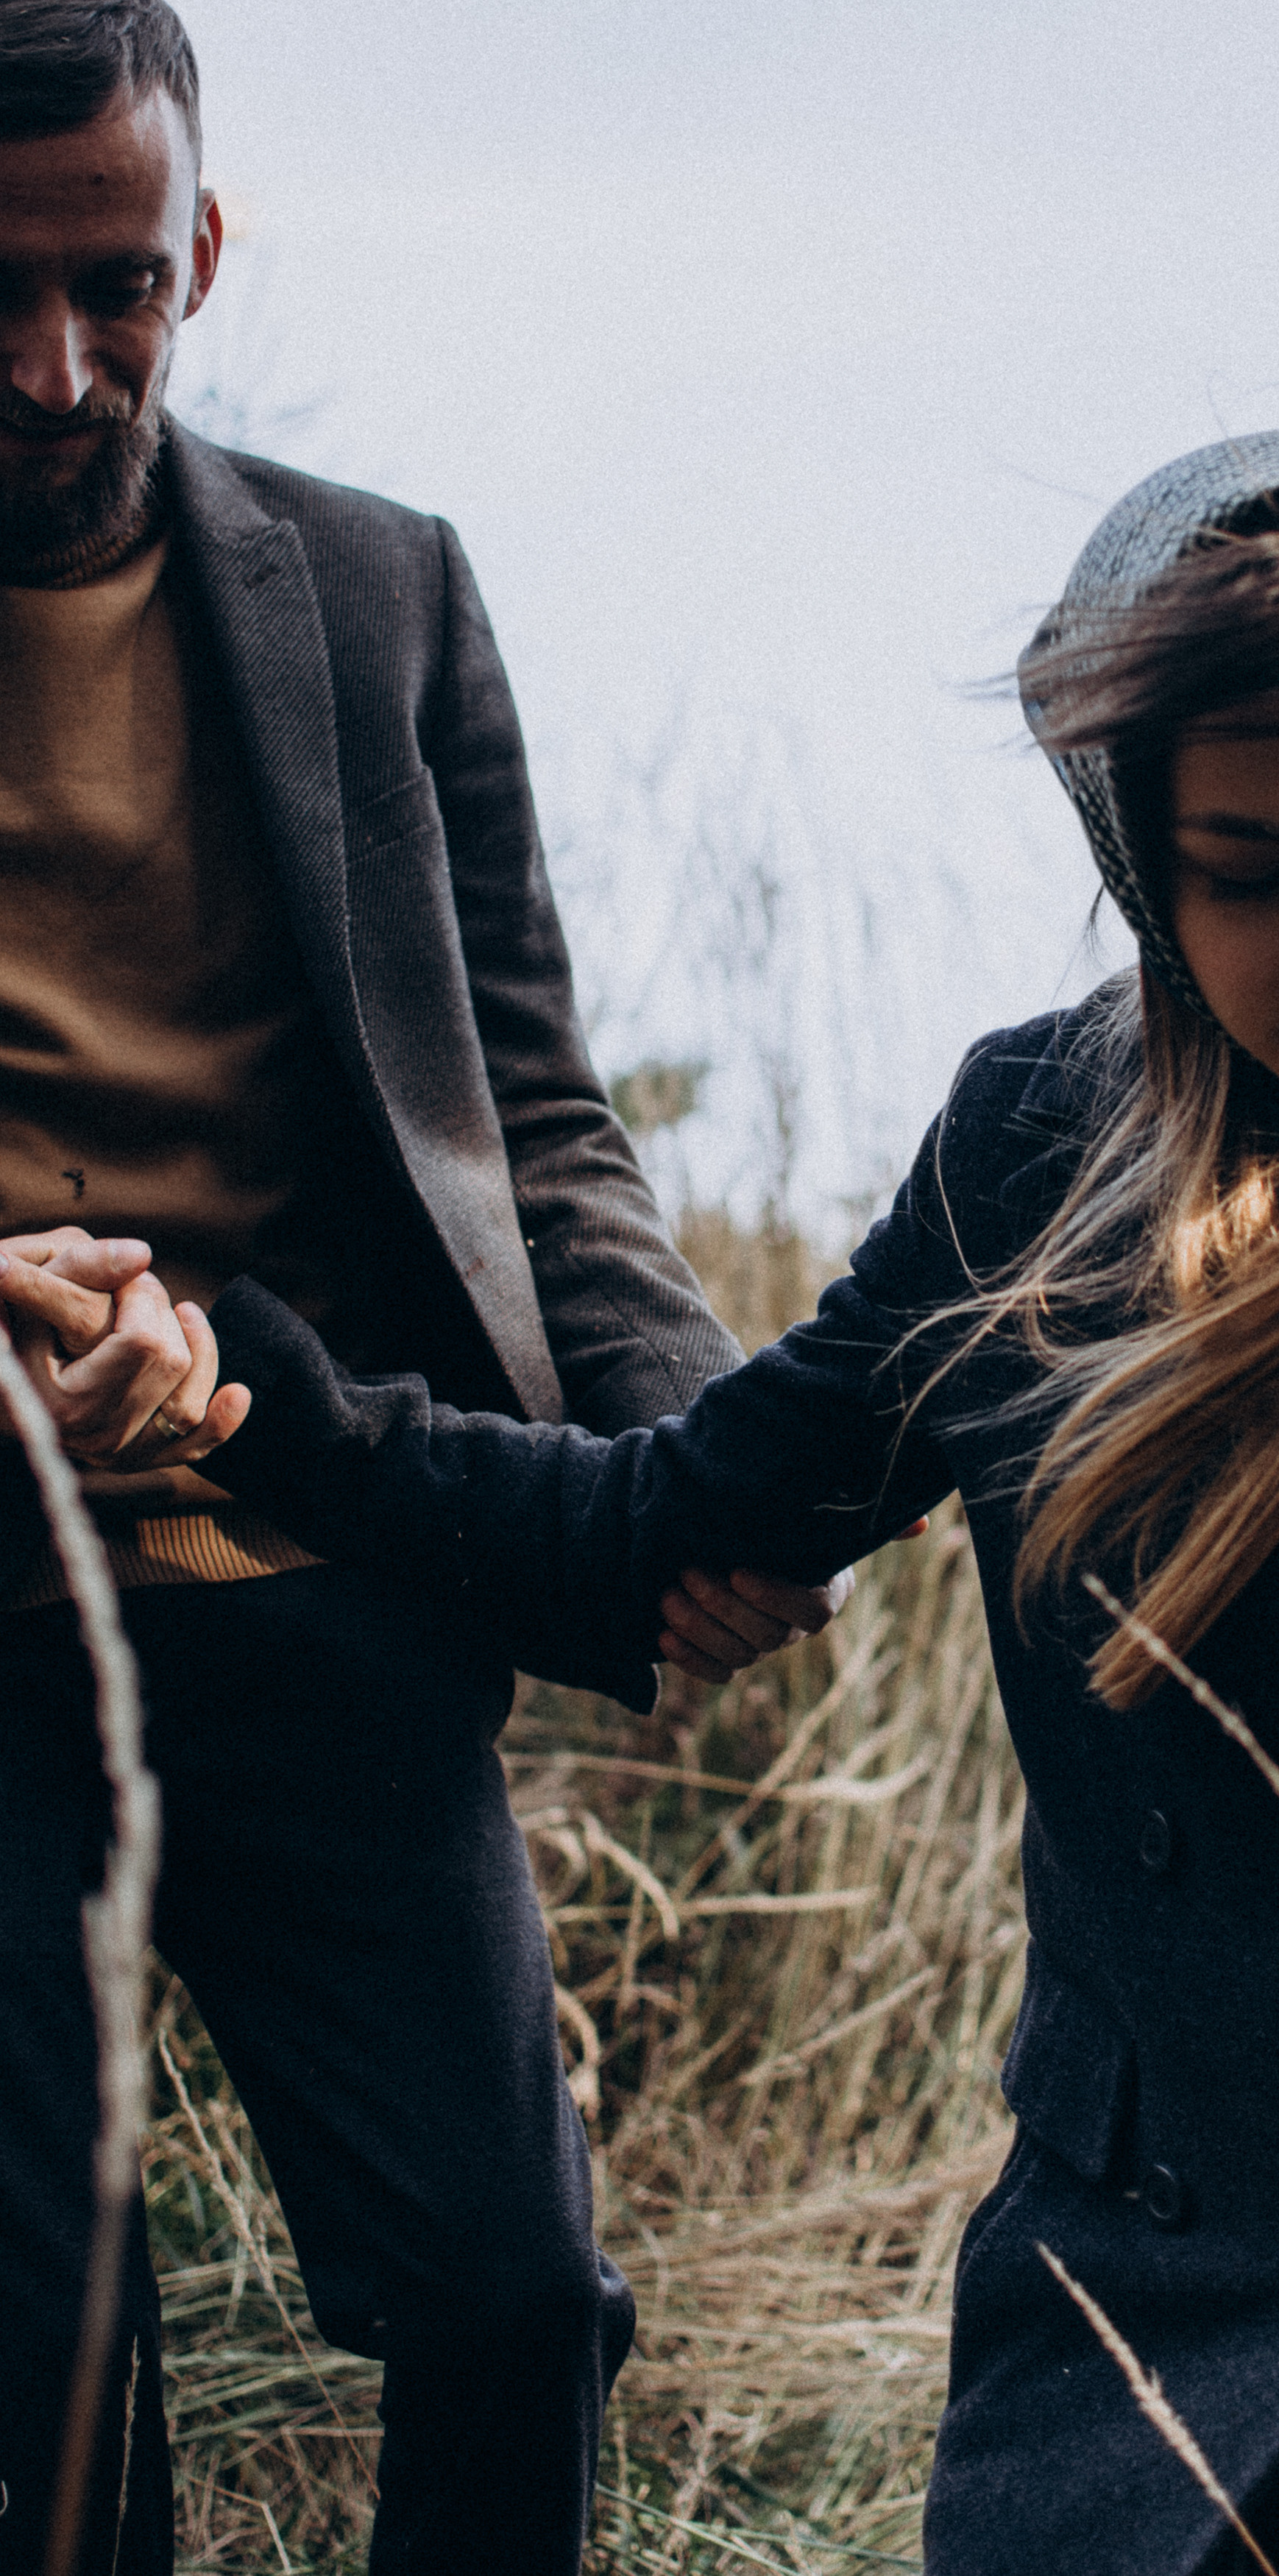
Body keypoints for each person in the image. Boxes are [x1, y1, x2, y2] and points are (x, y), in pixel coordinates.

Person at [112, 422, 1279, 2572]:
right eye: (1254, 869)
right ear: (1138, 859)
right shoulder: (1044, 1154)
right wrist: (239, 1388)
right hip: (1151, 2361)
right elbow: (652, 1537)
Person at [0, 7, 845, 2570]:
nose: (54, 369)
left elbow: (538, 1124)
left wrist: (700, 1464)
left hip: (325, 1547)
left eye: (117, 288)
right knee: (49, 2389)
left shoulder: (380, 593)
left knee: (512, 2299)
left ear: (205, 248)